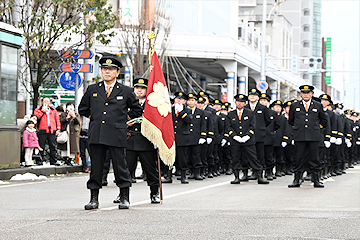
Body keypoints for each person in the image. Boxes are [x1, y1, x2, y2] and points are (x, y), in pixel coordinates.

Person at [78, 55, 142, 210]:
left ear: (117, 72)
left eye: (111, 69)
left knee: (121, 166)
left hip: (117, 134)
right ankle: (94, 199)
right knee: (96, 168)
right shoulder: (93, 89)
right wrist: (96, 118)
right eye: (104, 69)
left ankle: (124, 197)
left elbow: (137, 110)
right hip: (97, 134)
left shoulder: (126, 91)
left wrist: (122, 120)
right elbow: (83, 109)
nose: (107, 72)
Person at [114, 77, 160, 204]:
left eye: (142, 88)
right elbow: (118, 117)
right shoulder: (127, 102)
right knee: (125, 170)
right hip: (130, 139)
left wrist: (157, 140)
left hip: (146, 140)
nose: (139, 91)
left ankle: (154, 192)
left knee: (150, 169)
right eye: (137, 88)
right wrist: (124, 123)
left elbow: (158, 122)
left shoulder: (152, 104)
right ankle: (122, 194)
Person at [288, 85, 327, 188]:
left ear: (312, 94)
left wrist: (316, 128)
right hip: (299, 135)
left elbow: (324, 120)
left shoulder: (318, 105)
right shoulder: (295, 105)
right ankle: (297, 179)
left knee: (314, 158)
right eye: (304, 93)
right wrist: (298, 128)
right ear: (301, 94)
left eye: (308, 93)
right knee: (298, 158)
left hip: (313, 136)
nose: (306, 95)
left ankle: (316, 180)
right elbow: (291, 120)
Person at [226, 94, 269, 184]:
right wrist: (234, 136)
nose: (240, 104)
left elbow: (253, 126)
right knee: (235, 158)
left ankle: (260, 176)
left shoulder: (250, 113)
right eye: (238, 102)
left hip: (248, 140)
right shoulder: (231, 114)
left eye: (242, 102)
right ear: (235, 103)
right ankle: (237, 177)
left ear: (245, 103)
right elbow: (228, 127)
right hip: (235, 141)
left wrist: (248, 136)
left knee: (253, 158)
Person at [34, 97, 61, 166]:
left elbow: (57, 120)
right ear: (42, 102)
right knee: (41, 146)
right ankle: (39, 161)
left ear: (50, 102)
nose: (46, 102)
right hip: (42, 130)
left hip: (52, 130)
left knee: (53, 146)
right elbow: (35, 118)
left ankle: (53, 161)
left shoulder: (53, 110)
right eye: (44, 101)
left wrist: (58, 129)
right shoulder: (38, 110)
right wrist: (42, 111)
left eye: (47, 101)